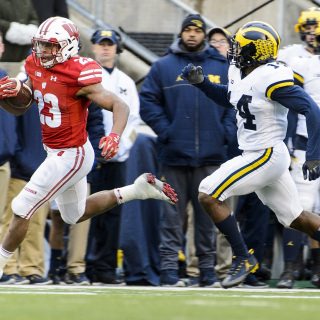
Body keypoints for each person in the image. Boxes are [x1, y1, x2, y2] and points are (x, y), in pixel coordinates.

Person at [0, 16, 178, 280]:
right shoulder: (34, 63)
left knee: (21, 206)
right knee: (75, 214)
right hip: (56, 150)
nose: (43, 51)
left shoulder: (79, 72)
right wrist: (11, 94)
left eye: (50, 46)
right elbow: (22, 107)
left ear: (69, 46)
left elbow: (121, 105)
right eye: (41, 45)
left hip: (72, 153)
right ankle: (136, 190)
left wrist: (114, 135)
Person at [181, 20, 320, 289]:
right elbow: (234, 98)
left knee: (208, 192)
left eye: (239, 45)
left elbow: (311, 110)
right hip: (262, 152)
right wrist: (202, 85)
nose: (233, 49)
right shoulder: (240, 69)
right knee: (295, 218)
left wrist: (314, 153)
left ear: (256, 50)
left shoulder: (271, 77)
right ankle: (244, 258)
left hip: (264, 153)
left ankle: (243, 258)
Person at [140, 14, 238, 287]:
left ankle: (207, 272)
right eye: (188, 30)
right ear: (181, 33)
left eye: (197, 30)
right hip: (174, 156)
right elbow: (147, 102)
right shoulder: (163, 66)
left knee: (208, 220)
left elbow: (234, 102)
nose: (192, 34)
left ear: (204, 35)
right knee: (171, 219)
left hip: (211, 156)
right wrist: (167, 131)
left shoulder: (221, 65)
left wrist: (225, 133)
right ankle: (170, 273)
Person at [85, 29, 141, 284]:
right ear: (94, 47)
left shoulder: (126, 82)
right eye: (101, 44)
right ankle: (83, 264)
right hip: (91, 155)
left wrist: (120, 146)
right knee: (86, 210)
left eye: (110, 44)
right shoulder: (87, 77)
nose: (105, 48)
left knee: (114, 212)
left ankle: (106, 267)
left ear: (116, 49)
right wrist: (96, 148)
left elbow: (135, 121)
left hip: (118, 156)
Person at [276, 7, 320, 289]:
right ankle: (290, 269)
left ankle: (317, 269)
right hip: (306, 143)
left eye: (315, 26)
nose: (312, 32)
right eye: (308, 27)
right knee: (299, 207)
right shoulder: (293, 57)